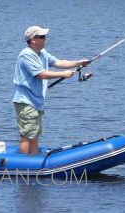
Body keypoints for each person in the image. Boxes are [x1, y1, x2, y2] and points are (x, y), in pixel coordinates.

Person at [13, 26, 90, 155]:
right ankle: (23, 165)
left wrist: (79, 63)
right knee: (27, 135)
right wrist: (63, 74)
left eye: (45, 37)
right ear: (33, 40)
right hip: (26, 101)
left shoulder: (42, 53)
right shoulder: (26, 55)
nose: (45, 39)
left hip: (36, 101)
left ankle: (33, 161)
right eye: (42, 37)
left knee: (35, 133)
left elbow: (58, 62)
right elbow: (41, 74)